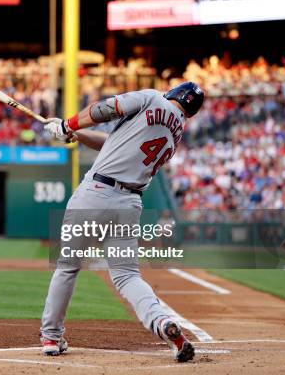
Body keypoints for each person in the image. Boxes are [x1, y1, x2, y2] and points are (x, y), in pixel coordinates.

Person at [41, 82, 205, 363]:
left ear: (176, 93)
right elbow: (112, 144)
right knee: (127, 276)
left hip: (94, 195)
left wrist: (67, 124)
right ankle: (162, 322)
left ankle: (51, 337)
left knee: (67, 267)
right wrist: (76, 134)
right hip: (128, 205)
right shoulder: (175, 134)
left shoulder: (153, 97)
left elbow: (105, 109)